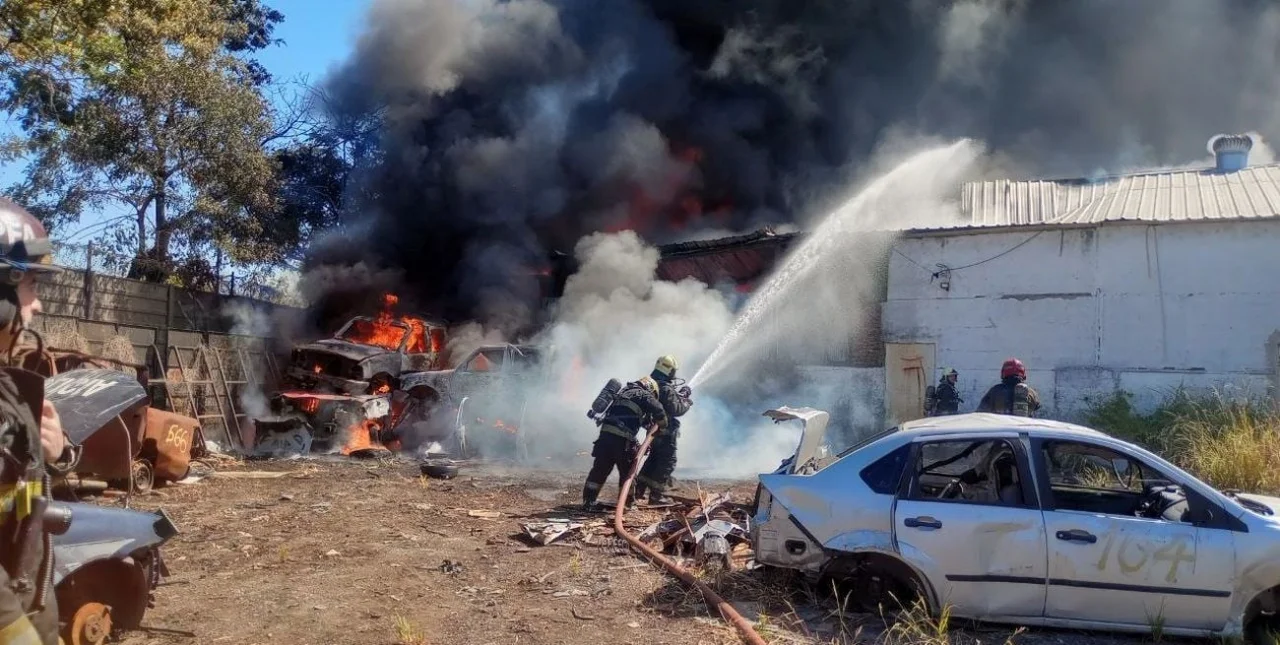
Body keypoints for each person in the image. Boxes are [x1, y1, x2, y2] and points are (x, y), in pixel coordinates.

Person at [0, 197, 79, 645]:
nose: (38, 305)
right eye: (31, 286)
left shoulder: (8, 387)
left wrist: (56, 455)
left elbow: (14, 504)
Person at [581, 366, 668, 512]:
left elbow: (637, 419)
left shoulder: (623, 394)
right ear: (650, 389)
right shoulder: (644, 395)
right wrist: (663, 425)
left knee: (599, 471)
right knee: (628, 474)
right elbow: (658, 408)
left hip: (604, 439)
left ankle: (588, 502)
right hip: (622, 442)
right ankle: (627, 504)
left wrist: (648, 430)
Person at [632, 355, 692, 506]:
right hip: (665, 431)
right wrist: (687, 401)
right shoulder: (665, 387)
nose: (674, 374)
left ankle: (637, 491)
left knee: (653, 460)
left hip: (654, 431)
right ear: (669, 370)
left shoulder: (653, 384)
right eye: (673, 370)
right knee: (667, 461)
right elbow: (676, 409)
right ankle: (657, 496)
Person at [976, 358, 1041, 418]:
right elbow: (1036, 411)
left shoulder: (995, 391)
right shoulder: (1032, 393)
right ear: (1023, 374)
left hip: (1001, 428)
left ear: (1003, 373)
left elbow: (980, 413)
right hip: (1023, 428)